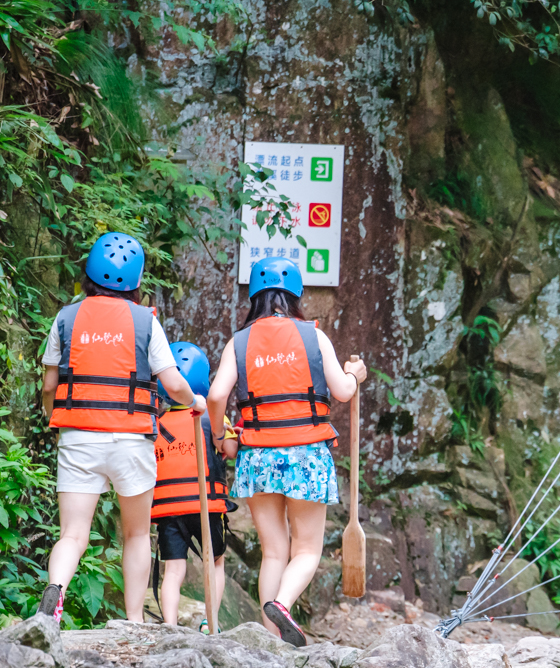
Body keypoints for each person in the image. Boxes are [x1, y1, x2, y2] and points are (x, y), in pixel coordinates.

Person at [40, 232, 205, 623]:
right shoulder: (146, 321)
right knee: (135, 534)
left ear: (89, 274)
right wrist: (193, 402)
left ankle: (55, 593)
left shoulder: (66, 317)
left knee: (73, 535)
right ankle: (133, 622)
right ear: (137, 281)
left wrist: (55, 418)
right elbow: (174, 383)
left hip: (78, 436)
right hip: (131, 440)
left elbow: (49, 385)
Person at [207, 257, 365, 647]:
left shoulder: (239, 341)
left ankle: (270, 638)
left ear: (254, 296)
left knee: (274, 551)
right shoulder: (313, 335)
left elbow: (215, 395)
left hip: (257, 455)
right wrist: (355, 376)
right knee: (307, 548)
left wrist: (219, 434)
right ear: (296, 295)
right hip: (307, 455)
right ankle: (283, 603)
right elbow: (343, 392)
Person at [152, 342, 236, 630]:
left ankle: (171, 626)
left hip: (168, 510)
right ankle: (209, 623)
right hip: (207, 505)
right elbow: (232, 448)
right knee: (215, 563)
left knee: (173, 570)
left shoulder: (157, 424)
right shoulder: (212, 418)